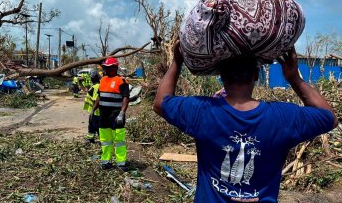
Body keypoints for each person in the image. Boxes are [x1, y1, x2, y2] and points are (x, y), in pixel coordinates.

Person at [153, 41, 338, 203]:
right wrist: (294, 78)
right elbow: (329, 117)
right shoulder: (283, 117)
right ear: (256, 76)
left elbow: (161, 103)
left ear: (222, 77)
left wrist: (177, 61)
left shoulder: (202, 111)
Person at [91, 57, 130, 170]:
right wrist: (93, 109)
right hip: (104, 116)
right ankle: (106, 161)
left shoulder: (121, 81)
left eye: (109, 68)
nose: (107, 70)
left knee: (119, 141)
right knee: (105, 141)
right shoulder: (103, 80)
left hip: (116, 115)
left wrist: (122, 113)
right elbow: (100, 96)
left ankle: (121, 163)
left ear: (115, 68)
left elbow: (125, 98)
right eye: (105, 68)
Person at [83, 73, 101, 143]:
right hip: (94, 111)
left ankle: (101, 140)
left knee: (95, 126)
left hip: (96, 111)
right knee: (92, 125)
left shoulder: (96, 87)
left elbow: (96, 99)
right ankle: (91, 138)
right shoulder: (94, 86)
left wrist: (93, 110)